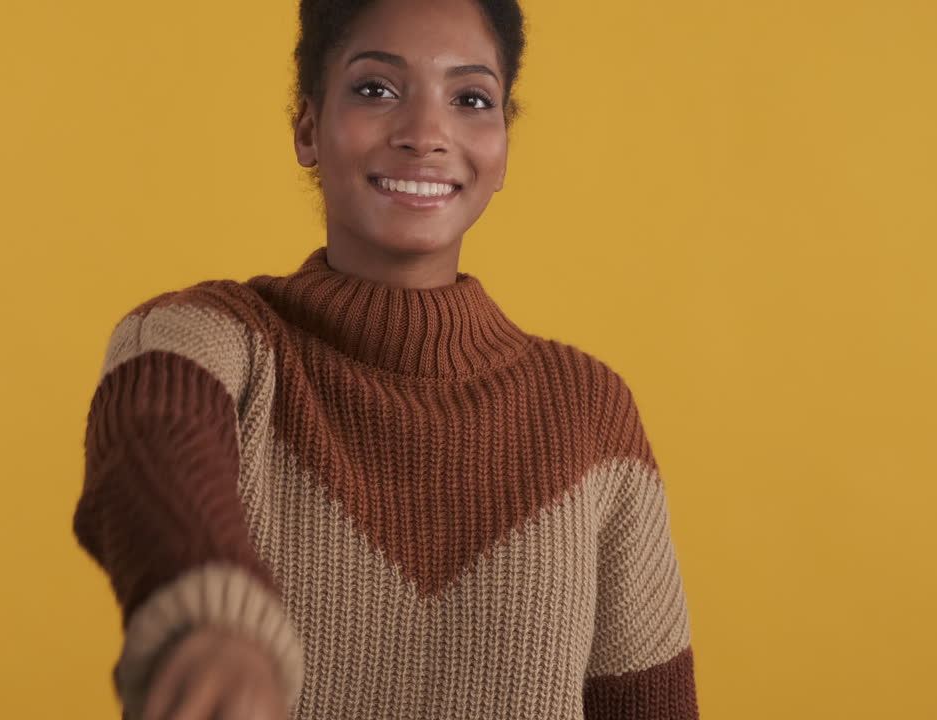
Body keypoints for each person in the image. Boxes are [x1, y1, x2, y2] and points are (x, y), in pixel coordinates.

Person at [71, 0, 701, 717]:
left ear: (502, 149)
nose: (426, 134)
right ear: (308, 128)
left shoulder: (591, 415)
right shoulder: (211, 337)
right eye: (376, 89)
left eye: (470, 99)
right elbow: (154, 439)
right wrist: (211, 622)